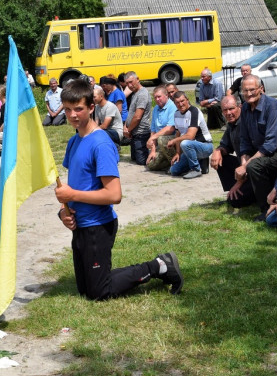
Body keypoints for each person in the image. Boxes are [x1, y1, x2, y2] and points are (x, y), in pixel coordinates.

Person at [53, 80, 183, 299]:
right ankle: (145, 268)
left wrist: (72, 195)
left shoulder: (100, 143)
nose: (72, 115)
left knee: (99, 292)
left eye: (78, 109)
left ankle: (159, 265)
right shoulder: (74, 141)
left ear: (91, 108)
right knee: (84, 289)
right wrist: (63, 212)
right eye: (67, 109)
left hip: (98, 227)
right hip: (80, 227)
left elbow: (114, 195)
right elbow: (75, 185)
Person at [234, 75, 277, 216]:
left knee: (253, 166)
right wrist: (243, 163)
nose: (249, 94)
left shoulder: (272, 105)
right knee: (236, 200)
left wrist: (245, 166)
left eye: (252, 90)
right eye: (245, 91)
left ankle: (265, 209)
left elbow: (270, 144)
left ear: (261, 89)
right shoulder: (244, 108)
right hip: (260, 152)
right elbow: (244, 139)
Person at [211, 94, 257, 209]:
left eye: (231, 109)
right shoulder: (231, 124)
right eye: (225, 110)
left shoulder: (246, 123)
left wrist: (240, 182)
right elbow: (226, 146)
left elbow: (253, 158)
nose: (228, 113)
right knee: (222, 159)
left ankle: (245, 192)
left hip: (253, 169)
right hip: (241, 168)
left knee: (236, 202)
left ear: (239, 107)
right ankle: (233, 191)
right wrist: (217, 151)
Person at [165, 91, 214, 179]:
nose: (180, 104)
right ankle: (200, 162)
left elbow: (190, 136)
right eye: (177, 102)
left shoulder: (194, 111)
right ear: (174, 103)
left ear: (187, 100)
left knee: (185, 143)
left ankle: (196, 169)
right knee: (174, 171)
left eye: (182, 101)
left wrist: (173, 141)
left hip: (205, 145)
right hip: (190, 147)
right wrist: (178, 153)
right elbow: (178, 133)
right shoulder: (176, 114)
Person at [120, 72, 151, 165]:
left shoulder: (142, 94)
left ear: (138, 79)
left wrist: (128, 130)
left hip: (141, 133)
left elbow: (137, 117)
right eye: (127, 83)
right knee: (134, 159)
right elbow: (131, 113)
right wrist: (125, 126)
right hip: (133, 132)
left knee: (142, 161)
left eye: (131, 82)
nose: (129, 85)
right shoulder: (135, 93)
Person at [144, 86, 177, 171]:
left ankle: (175, 164)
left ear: (166, 95)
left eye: (159, 96)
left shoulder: (172, 107)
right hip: (159, 143)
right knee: (150, 165)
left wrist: (152, 138)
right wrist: (153, 150)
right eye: (155, 97)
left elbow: (171, 128)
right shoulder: (155, 109)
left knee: (161, 139)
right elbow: (153, 130)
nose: (157, 99)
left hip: (172, 141)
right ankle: (167, 161)